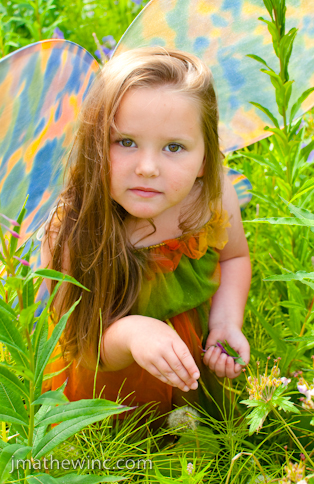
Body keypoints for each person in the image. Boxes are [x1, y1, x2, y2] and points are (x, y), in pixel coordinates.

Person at [40, 47, 251, 420]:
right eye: (126, 142)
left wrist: (225, 322)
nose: (148, 168)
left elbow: (234, 257)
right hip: (105, 385)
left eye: (174, 147)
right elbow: (78, 343)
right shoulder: (73, 227)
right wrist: (133, 333)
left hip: (188, 361)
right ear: (94, 144)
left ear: (205, 159)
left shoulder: (210, 199)